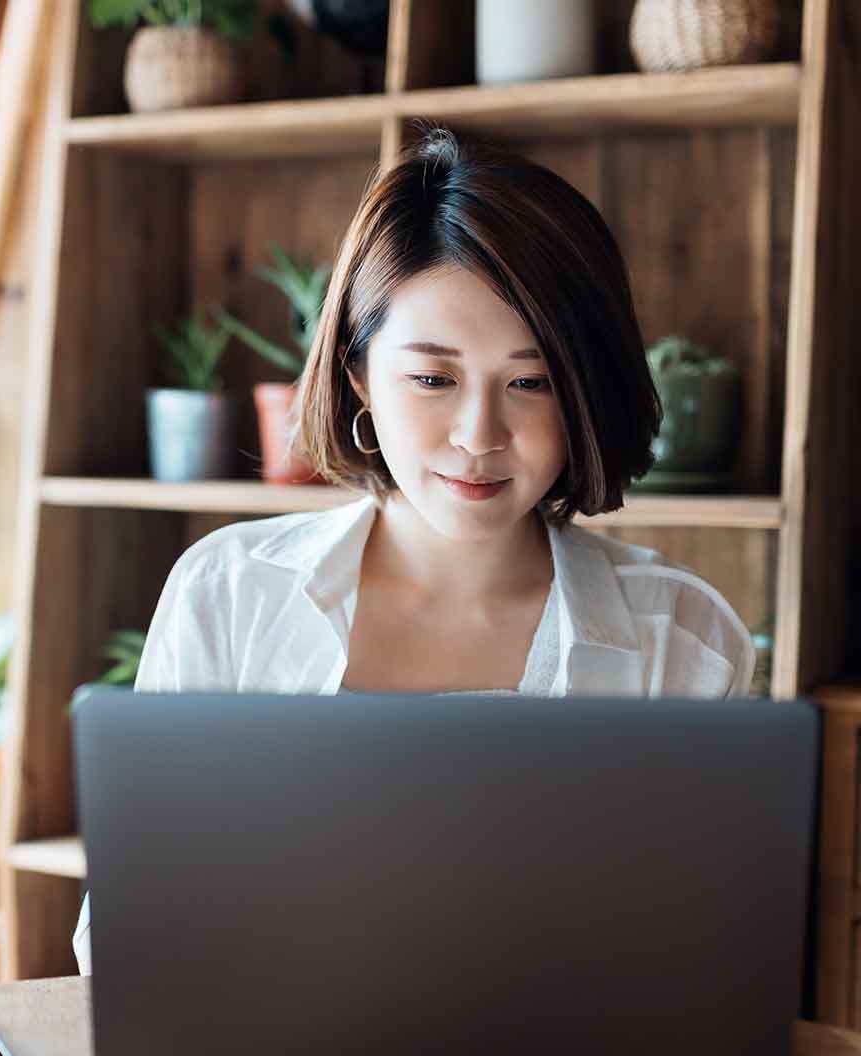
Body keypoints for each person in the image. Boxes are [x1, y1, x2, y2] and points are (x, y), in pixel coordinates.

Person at [71, 130, 755, 975]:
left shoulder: (682, 639)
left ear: (586, 387)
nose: (479, 436)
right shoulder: (230, 591)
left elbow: (705, 970)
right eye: (433, 379)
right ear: (358, 373)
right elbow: (125, 940)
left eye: (531, 381)